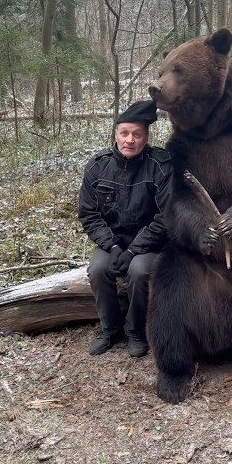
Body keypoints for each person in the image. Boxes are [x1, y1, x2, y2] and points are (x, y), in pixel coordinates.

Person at [77, 100, 172, 358]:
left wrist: (132, 251)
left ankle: (135, 332)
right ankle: (109, 329)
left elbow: (166, 218)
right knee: (97, 269)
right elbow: (88, 214)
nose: (130, 140)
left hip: (148, 244)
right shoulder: (98, 166)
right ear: (116, 134)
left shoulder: (161, 166)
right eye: (125, 133)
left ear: (146, 137)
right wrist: (114, 246)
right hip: (113, 241)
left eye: (137, 134)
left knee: (140, 272)